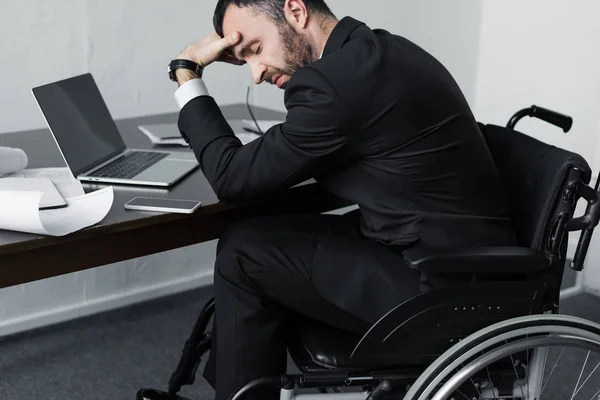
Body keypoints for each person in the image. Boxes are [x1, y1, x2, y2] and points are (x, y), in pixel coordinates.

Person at [167, 1, 516, 399]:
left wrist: (187, 71)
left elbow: (231, 177)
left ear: (296, 11)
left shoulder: (337, 83)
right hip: (448, 251)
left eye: (256, 48)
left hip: (442, 283)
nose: (256, 73)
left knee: (242, 254)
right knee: (251, 240)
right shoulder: (378, 51)